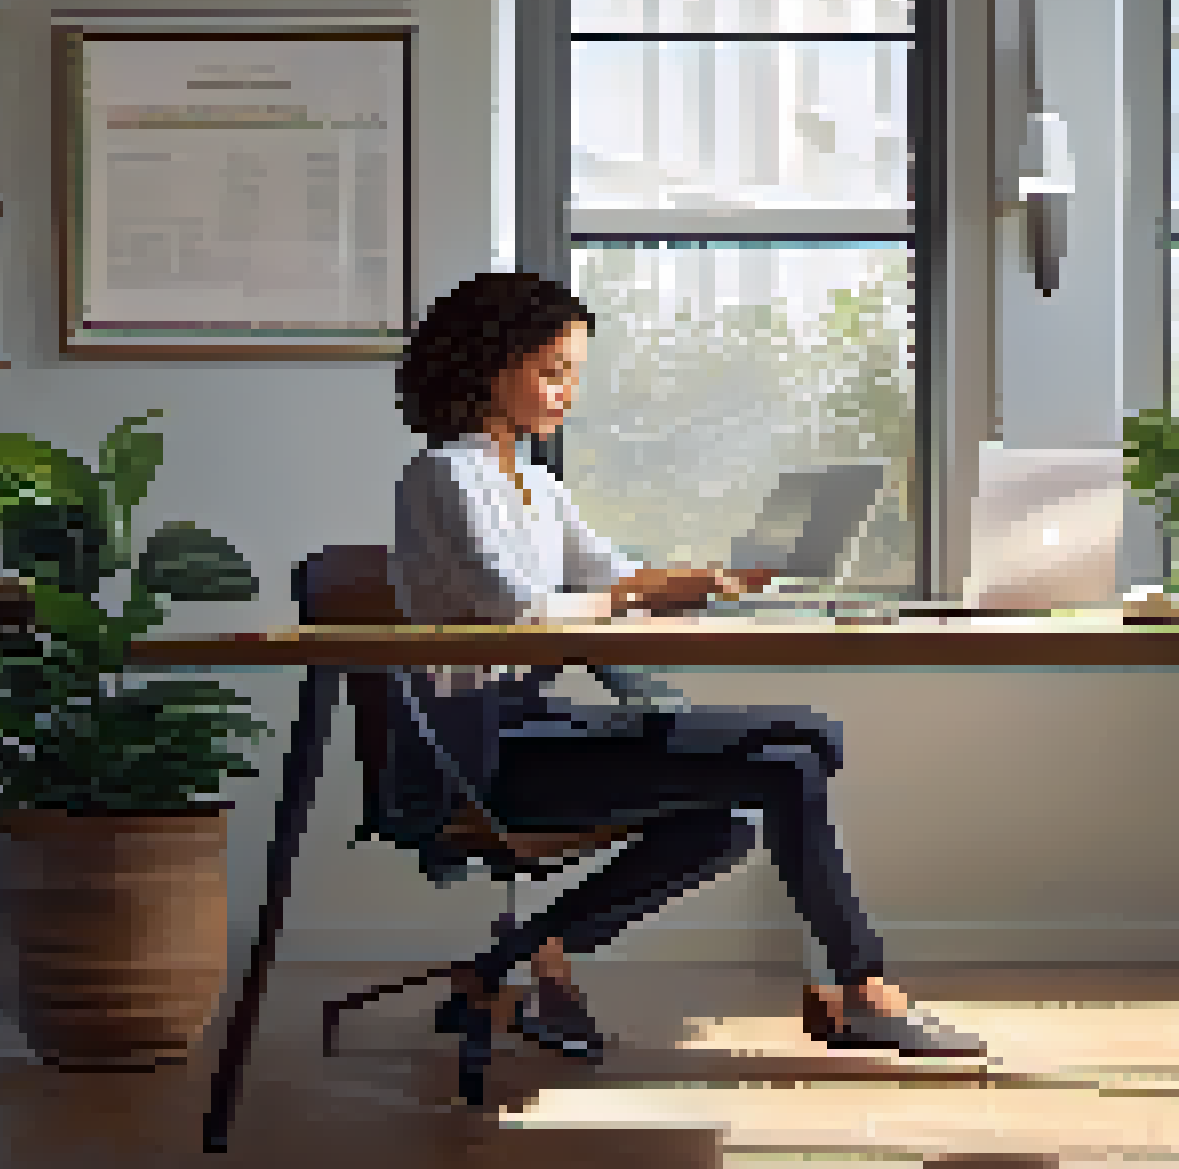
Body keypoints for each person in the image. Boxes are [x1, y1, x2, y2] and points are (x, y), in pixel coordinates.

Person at [388, 271, 985, 1092]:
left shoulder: (530, 480)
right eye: (551, 371)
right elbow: (516, 612)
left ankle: (519, 961)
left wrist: (711, 581)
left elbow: (611, 577)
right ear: (489, 367)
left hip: (538, 725)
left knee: (772, 783)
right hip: (485, 753)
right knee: (802, 748)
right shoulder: (445, 475)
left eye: (573, 374)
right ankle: (862, 990)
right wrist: (634, 594)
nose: (566, 393)